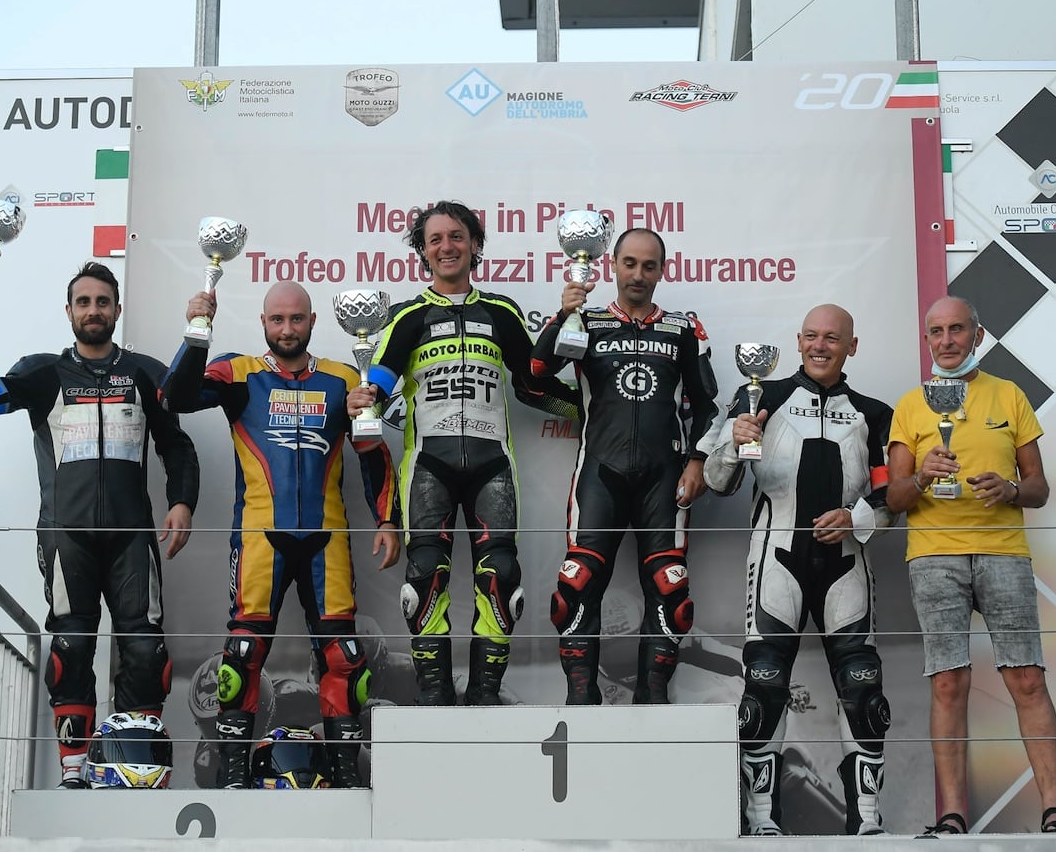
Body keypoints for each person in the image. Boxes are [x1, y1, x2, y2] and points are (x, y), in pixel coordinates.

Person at [0, 261, 200, 789]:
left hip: (132, 537)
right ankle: (73, 770)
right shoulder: (42, 373)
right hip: (67, 537)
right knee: (71, 648)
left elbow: (176, 445)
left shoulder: (145, 373)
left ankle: (136, 765)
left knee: (146, 651)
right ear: (68, 312)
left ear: (117, 310)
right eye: (83, 302)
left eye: (102, 302)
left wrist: (182, 503)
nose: (93, 310)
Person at [163, 280, 400, 789]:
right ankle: (232, 776)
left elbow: (373, 453)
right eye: (277, 319)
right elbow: (173, 396)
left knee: (344, 657)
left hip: (327, 538)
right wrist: (196, 331)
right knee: (242, 655)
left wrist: (386, 520)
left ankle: (346, 777)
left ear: (313, 322)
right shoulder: (238, 371)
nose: (287, 329)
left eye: (296, 319)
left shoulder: (344, 379)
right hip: (259, 536)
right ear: (263, 323)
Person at [346, 200, 578, 706]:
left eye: (456, 236)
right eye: (435, 239)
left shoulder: (501, 312)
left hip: (493, 466)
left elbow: (531, 382)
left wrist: (584, 408)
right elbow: (378, 386)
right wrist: (363, 402)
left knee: (503, 580)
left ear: (475, 244)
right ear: (423, 251)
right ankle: (433, 694)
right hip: (428, 467)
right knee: (425, 578)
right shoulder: (405, 316)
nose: (446, 246)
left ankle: (484, 694)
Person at [886, 295, 1056, 835]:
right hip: (934, 557)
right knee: (948, 684)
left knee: (1027, 678)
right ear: (927, 338)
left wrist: (1011, 489)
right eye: (936, 331)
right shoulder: (911, 405)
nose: (946, 340)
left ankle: (1055, 811)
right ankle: (951, 817)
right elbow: (895, 498)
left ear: (978, 334)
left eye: (956, 329)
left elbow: (1039, 488)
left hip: (1003, 553)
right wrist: (922, 476)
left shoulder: (1009, 394)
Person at [703, 304, 893, 836]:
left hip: (846, 563)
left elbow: (889, 501)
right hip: (775, 561)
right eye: (811, 336)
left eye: (831, 337)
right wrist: (734, 443)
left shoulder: (874, 413)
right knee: (763, 683)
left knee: (863, 684)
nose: (819, 345)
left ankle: (867, 820)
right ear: (798, 341)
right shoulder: (760, 396)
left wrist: (855, 517)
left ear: (851, 346)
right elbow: (718, 482)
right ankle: (762, 819)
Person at [532, 226, 718, 707]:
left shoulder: (683, 330)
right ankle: (581, 700)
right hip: (599, 474)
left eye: (648, 265)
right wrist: (564, 315)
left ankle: (653, 701)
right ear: (612, 265)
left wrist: (698, 461)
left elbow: (707, 406)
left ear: (662, 270)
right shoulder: (587, 322)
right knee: (574, 589)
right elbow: (534, 375)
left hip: (665, 478)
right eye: (629, 263)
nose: (638, 274)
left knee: (671, 594)